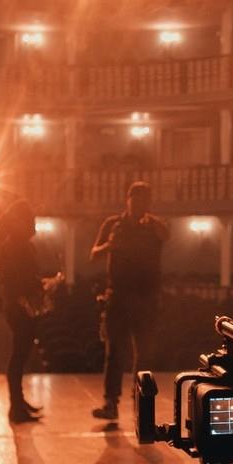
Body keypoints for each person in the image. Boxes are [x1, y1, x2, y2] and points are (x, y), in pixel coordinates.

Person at [90, 180, 168, 420]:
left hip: (146, 298)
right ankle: (110, 403)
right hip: (119, 296)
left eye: (144, 201)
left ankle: (140, 401)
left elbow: (166, 235)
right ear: (128, 200)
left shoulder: (155, 226)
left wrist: (153, 226)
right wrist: (110, 244)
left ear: (148, 203)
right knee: (114, 352)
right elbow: (93, 255)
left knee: (144, 353)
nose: (139, 205)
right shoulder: (113, 224)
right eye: (135, 200)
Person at [0, 199, 44, 423]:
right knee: (18, 356)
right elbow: (13, 279)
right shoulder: (11, 246)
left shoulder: (27, 246)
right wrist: (32, 289)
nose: (35, 224)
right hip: (18, 306)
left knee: (22, 355)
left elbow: (30, 276)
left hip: (26, 304)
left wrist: (43, 284)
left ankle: (19, 401)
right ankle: (15, 407)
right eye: (31, 220)